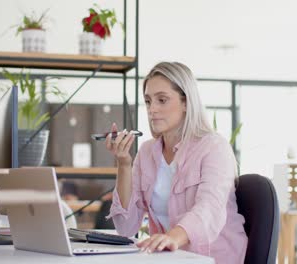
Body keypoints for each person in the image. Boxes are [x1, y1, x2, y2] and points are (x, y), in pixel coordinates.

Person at [105, 62, 247, 263]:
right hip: (172, 259)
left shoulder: (214, 148)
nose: (152, 109)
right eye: (148, 101)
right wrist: (124, 164)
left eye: (162, 100)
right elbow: (126, 228)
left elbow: (209, 210)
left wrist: (171, 238)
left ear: (186, 102)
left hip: (214, 258)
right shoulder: (146, 153)